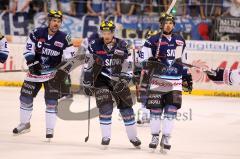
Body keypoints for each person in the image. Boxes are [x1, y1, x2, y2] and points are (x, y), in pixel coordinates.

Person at [12, 10, 76, 140]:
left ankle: (49, 129)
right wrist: (31, 62)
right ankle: (24, 124)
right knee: (25, 97)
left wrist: (62, 69)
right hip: (35, 72)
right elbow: (28, 48)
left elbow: (70, 57)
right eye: (53, 20)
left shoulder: (65, 37)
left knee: (51, 102)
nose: (56, 23)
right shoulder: (37, 33)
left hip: (52, 74)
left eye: (58, 21)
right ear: (49, 21)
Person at [137, 13, 192, 152]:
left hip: (175, 82)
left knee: (171, 110)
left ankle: (166, 136)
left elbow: (182, 61)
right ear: (161, 24)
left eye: (170, 22)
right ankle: (155, 136)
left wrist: (186, 77)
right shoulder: (152, 40)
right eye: (165, 22)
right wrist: (150, 63)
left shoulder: (180, 41)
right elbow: (141, 61)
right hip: (158, 81)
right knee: (155, 111)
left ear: (173, 25)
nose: (168, 25)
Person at [82, 20, 141, 148]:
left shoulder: (123, 45)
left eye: (109, 32)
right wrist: (86, 81)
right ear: (101, 32)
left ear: (113, 32)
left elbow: (129, 63)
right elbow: (88, 64)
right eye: (104, 32)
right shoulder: (94, 45)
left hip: (118, 79)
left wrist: (127, 77)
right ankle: (106, 137)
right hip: (101, 78)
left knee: (127, 109)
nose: (106, 35)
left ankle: (133, 137)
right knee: (105, 106)